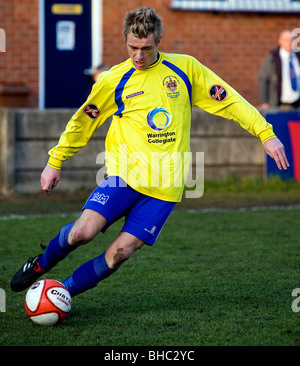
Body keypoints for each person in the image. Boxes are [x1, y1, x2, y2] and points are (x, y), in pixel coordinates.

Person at [11, 7, 289, 299]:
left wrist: (265, 133)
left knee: (120, 252)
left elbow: (229, 100)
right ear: (125, 41)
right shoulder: (112, 80)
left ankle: (61, 294)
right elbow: (83, 122)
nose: (139, 56)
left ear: (159, 41)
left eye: (146, 48)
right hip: (124, 176)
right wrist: (55, 161)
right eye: (133, 47)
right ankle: (42, 264)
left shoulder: (185, 69)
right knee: (82, 233)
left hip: (165, 186)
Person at [259, 29, 300, 110]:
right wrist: (264, 102)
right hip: (279, 105)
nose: (289, 43)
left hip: (297, 105)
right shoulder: (273, 58)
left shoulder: (298, 57)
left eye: (291, 40)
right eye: (286, 40)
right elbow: (263, 79)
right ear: (280, 41)